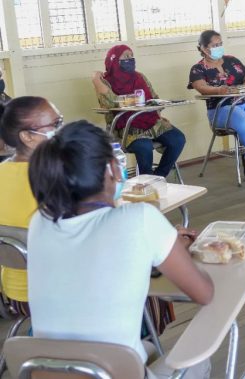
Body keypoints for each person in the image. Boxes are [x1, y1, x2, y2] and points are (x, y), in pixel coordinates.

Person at [26, 121, 214, 378]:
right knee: (199, 360)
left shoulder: (40, 220)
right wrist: (176, 249)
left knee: (147, 347)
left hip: (46, 370)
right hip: (110, 370)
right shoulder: (141, 219)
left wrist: (162, 243)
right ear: (110, 167)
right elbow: (203, 294)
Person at [0, 97, 62, 316]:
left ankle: (42, 339)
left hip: (17, 293)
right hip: (61, 292)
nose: (60, 131)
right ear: (27, 136)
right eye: (54, 125)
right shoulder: (53, 177)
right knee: (145, 279)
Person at [189, 30, 245, 182]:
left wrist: (244, 87)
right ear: (203, 48)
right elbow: (201, 87)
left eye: (220, 44)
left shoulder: (232, 60)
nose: (219, 47)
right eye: (215, 45)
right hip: (221, 109)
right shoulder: (198, 68)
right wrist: (218, 90)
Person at [93, 45, 186, 177]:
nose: (130, 60)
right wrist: (95, 78)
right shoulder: (106, 82)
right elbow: (110, 103)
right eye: (126, 57)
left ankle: (158, 177)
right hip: (127, 130)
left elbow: (154, 98)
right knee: (144, 147)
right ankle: (146, 180)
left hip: (153, 124)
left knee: (178, 139)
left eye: (132, 56)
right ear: (114, 60)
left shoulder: (140, 77)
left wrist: (157, 109)